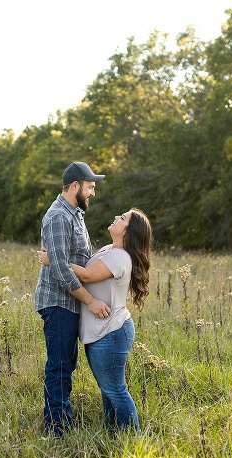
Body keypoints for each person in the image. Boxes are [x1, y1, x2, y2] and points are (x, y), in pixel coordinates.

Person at [39, 208, 153, 431]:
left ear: (128, 233)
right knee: (107, 387)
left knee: (115, 389)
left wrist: (54, 259)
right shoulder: (109, 250)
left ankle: (133, 437)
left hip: (112, 332)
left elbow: (88, 275)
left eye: (122, 218)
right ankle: (115, 434)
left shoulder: (120, 257)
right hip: (102, 332)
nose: (116, 217)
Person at [34, 161, 111, 437]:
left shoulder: (75, 213)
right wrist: (90, 300)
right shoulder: (58, 216)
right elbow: (61, 270)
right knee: (59, 366)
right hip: (58, 302)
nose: (92, 193)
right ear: (75, 186)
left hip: (69, 302)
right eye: (90, 187)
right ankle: (57, 429)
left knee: (66, 364)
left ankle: (62, 421)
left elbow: (75, 257)